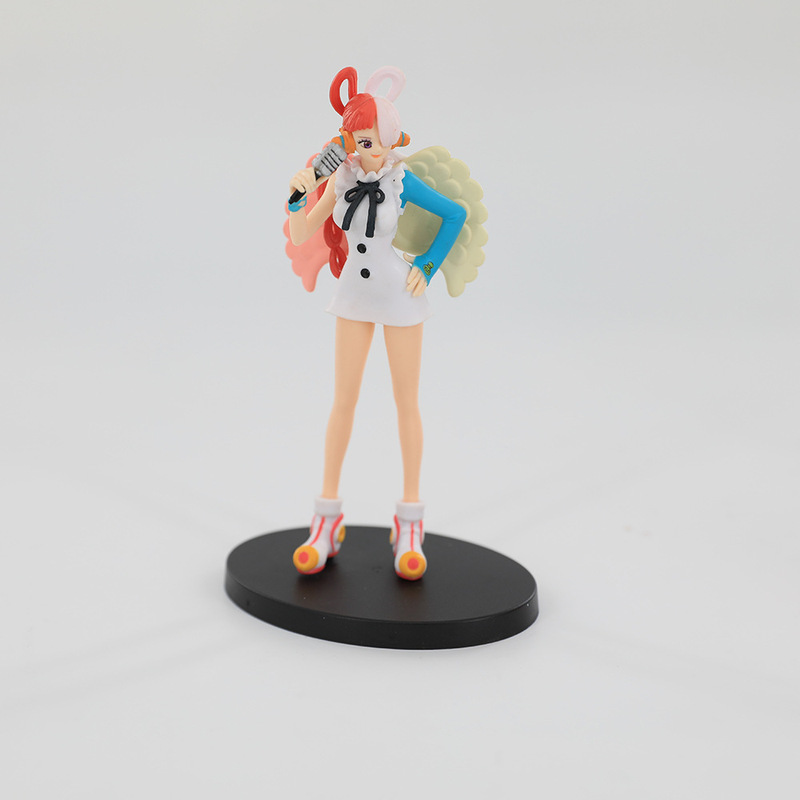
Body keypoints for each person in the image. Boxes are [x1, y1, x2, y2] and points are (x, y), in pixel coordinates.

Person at [285, 66, 467, 580]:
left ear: (390, 141)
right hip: (353, 298)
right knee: (343, 401)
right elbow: (302, 232)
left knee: (406, 403)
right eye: (355, 140)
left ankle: (410, 521)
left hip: (399, 298)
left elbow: (454, 215)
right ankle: (326, 518)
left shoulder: (401, 181)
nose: (362, 150)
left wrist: (427, 266)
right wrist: (298, 194)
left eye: (370, 141)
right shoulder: (340, 179)